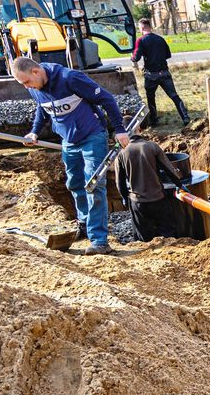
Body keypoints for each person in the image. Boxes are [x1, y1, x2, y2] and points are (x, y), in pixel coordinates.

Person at [14, 56, 129, 256]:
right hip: (68, 141)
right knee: (75, 183)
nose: (26, 87)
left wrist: (120, 129)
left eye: (26, 82)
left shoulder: (70, 78)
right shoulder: (36, 88)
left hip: (92, 135)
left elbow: (106, 98)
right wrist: (34, 131)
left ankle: (99, 240)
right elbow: (43, 109)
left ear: (36, 72)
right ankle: (84, 225)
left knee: (93, 185)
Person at [113, 130, 187, 242]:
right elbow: (168, 169)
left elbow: (120, 182)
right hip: (158, 198)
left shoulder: (121, 153)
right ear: (138, 130)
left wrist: (124, 197)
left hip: (138, 202)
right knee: (168, 234)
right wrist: (180, 184)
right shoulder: (152, 146)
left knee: (143, 239)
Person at [131, 18, 190, 127]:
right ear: (150, 26)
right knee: (174, 96)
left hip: (151, 75)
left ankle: (154, 120)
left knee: (151, 97)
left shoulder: (141, 40)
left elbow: (136, 57)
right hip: (164, 73)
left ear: (142, 28)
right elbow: (168, 55)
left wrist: (132, 57)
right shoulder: (160, 39)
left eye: (139, 28)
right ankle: (185, 117)